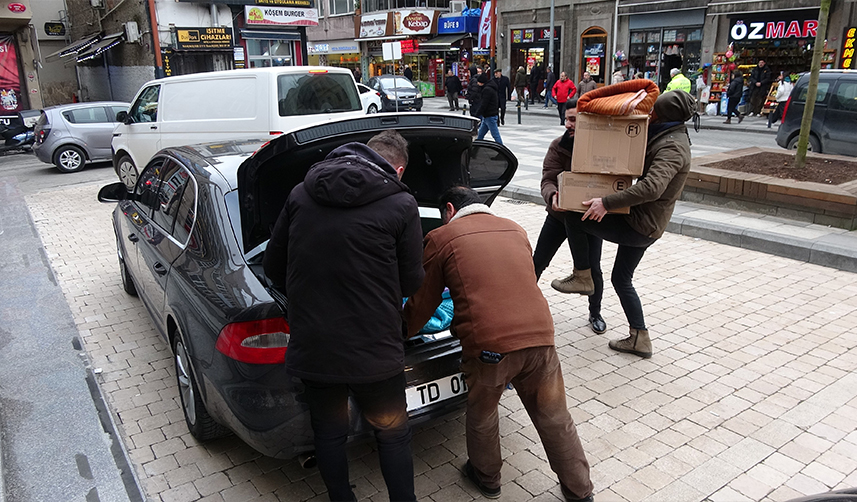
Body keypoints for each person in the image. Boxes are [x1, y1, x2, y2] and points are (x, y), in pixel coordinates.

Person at [404, 186, 595, 502]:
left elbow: (424, 302)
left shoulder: (442, 237)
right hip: (541, 338)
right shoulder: (516, 229)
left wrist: (401, 333)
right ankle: (580, 490)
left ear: (449, 209)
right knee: (554, 415)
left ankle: (487, 478)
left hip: (490, 347)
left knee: (483, 412)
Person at [263, 130, 423, 502]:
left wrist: (311, 294)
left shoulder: (301, 193)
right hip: (374, 347)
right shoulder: (401, 204)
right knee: (392, 432)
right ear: (397, 170)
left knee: (329, 432)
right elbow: (411, 280)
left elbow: (273, 265)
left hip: (316, 344)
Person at [549, 90, 695, 359]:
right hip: (646, 221)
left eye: (653, 113)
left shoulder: (672, 147)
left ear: (663, 116)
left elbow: (652, 187)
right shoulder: (670, 135)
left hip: (640, 223)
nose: (649, 116)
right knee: (621, 278)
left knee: (574, 216)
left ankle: (583, 276)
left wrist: (606, 202)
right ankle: (640, 338)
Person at [533, 99, 607, 334]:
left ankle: (595, 312)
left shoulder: (603, 147)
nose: (568, 124)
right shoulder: (558, 145)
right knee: (538, 261)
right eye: (566, 119)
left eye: (573, 119)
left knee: (593, 270)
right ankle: (522, 304)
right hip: (559, 216)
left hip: (589, 219)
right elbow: (547, 178)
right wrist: (552, 195)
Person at [476, 72, 502, 144]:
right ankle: (476, 146)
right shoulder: (491, 87)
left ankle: (501, 149)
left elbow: (484, 104)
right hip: (488, 115)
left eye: (478, 82)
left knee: (495, 135)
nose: (477, 84)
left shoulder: (487, 90)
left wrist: (477, 114)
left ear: (481, 82)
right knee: (480, 134)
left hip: (490, 115)